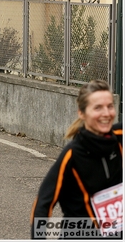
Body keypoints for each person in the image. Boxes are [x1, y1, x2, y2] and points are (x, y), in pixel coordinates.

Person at [30, 80, 122, 239]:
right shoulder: (71, 156)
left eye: (110, 106)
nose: (106, 113)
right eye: (98, 108)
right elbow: (43, 205)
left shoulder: (120, 137)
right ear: (82, 112)